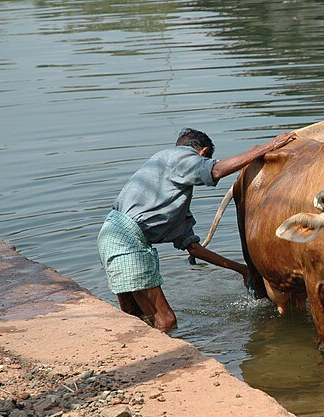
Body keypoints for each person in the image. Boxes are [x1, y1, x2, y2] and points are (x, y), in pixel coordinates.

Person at [97, 128, 296, 332]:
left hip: (110, 236)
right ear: (203, 152)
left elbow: (194, 249)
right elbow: (216, 171)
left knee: (135, 316)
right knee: (166, 321)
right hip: (127, 241)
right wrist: (268, 146)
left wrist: (243, 270)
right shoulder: (179, 156)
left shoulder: (168, 188)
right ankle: (167, 362)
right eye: (205, 160)